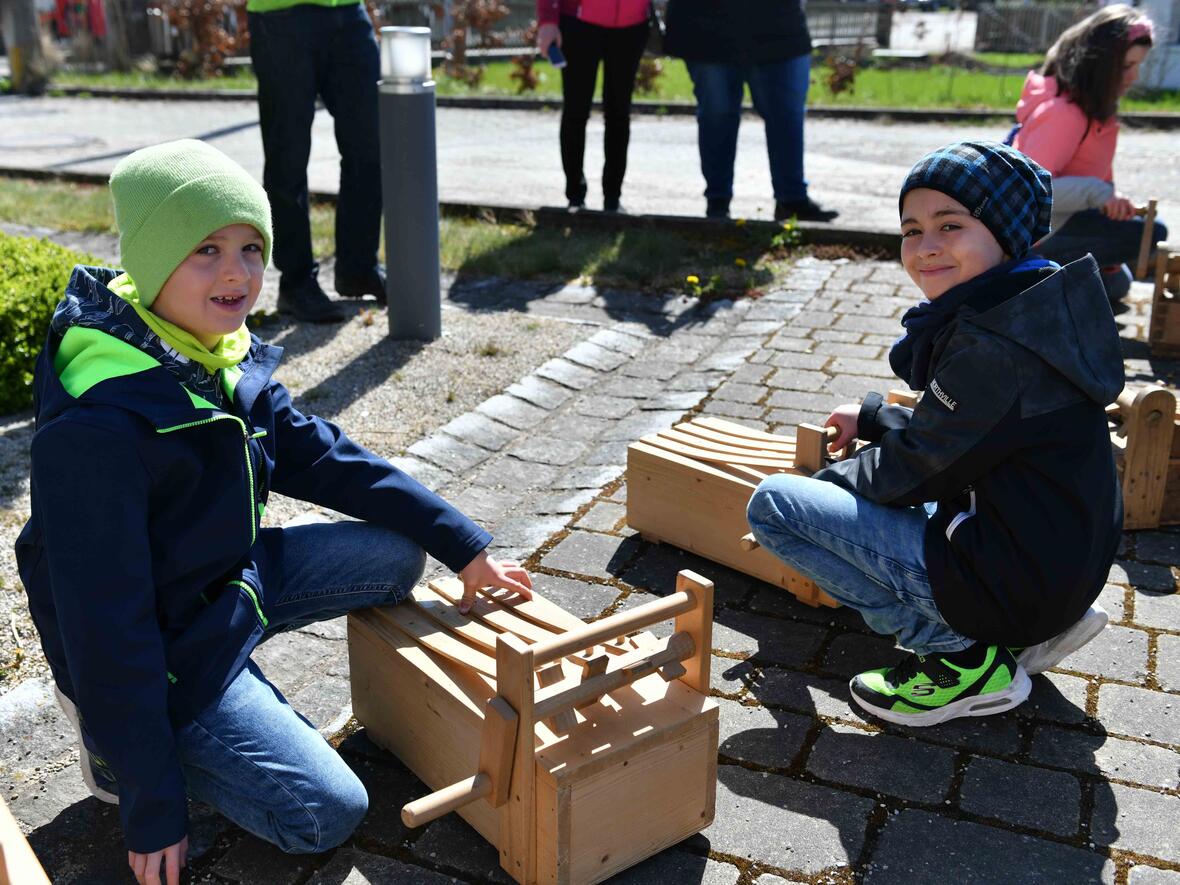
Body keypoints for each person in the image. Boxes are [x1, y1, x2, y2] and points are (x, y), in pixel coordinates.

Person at [14, 140, 532, 885]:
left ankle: (230, 683)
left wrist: (466, 544)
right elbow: (108, 629)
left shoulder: (216, 352)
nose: (238, 272)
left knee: (399, 555)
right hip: (163, 653)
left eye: (252, 247)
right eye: (207, 250)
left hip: (229, 580)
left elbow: (327, 456)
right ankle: (119, 751)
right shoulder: (96, 434)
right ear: (153, 261)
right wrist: (152, 803)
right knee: (325, 811)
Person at [747, 141, 1124, 727]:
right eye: (911, 229)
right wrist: (873, 419)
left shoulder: (995, 350)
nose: (925, 248)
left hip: (1022, 581)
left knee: (774, 506)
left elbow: (911, 469)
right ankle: (1027, 628)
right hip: (1054, 562)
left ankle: (961, 656)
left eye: (951, 225)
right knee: (878, 486)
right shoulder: (1032, 309)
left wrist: (827, 484)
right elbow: (968, 438)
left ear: (1006, 234)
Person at [1011, 4, 1167, 301]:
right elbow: (1029, 192)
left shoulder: (1094, 111)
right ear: (1100, 63)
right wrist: (1098, 194)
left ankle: (1050, 281)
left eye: (1138, 66)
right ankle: (1027, 275)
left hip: (1065, 223)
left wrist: (1108, 205)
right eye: (1126, 66)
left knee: (1118, 284)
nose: (1134, 77)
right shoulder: (1063, 113)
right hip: (1034, 237)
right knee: (1152, 234)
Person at [247, 0, 387, 323]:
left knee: (370, 144)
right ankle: (296, 283)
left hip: (349, 10)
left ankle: (358, 269)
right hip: (280, 14)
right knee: (288, 156)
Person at [664, 0, 836, 222]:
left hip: (781, 28)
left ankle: (791, 200)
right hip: (706, 28)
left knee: (786, 115)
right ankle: (717, 203)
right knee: (717, 115)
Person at [535, 0, 651, 213]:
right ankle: (575, 196)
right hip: (580, 23)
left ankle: (613, 198)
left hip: (632, 25)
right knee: (576, 110)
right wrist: (548, 20)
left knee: (619, 113)